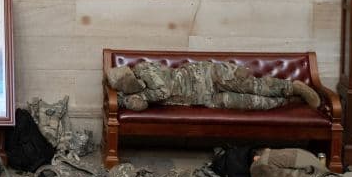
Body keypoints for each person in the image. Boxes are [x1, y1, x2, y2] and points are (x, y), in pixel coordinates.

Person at [106, 60, 322, 112]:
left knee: (253, 86)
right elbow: (138, 106)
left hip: (209, 76)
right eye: (124, 87)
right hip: (205, 99)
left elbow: (163, 91)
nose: (129, 87)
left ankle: (293, 87)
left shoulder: (145, 69)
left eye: (127, 81)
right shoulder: (130, 94)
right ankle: (288, 101)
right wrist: (129, 99)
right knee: (253, 103)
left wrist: (143, 94)